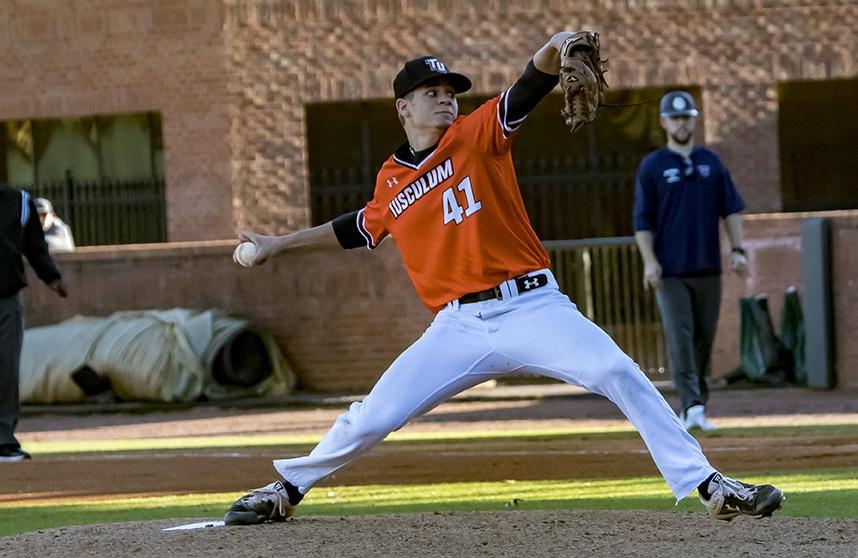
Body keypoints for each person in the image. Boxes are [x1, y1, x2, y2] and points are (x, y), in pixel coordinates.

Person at [225, 34, 782, 525]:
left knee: (616, 369)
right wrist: (278, 245)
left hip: (535, 308)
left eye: (450, 90)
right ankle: (287, 487)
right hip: (458, 326)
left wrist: (558, 44)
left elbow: (530, 84)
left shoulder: (477, 134)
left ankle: (709, 486)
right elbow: (358, 228)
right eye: (431, 91)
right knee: (375, 413)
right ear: (403, 108)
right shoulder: (392, 180)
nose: (446, 97)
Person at [633, 91, 748, 432]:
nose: (682, 123)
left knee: (703, 337)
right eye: (676, 117)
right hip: (670, 271)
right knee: (679, 336)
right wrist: (649, 262)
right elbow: (642, 221)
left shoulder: (711, 162)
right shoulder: (652, 166)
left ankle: (697, 403)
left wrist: (738, 250)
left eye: (687, 117)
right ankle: (692, 405)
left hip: (708, 266)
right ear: (664, 121)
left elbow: (731, 209)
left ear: (694, 120)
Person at [0, 185, 68, 462]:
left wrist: (51, 276)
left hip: (5, 297)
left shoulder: (18, 201)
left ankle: (3, 439)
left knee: (6, 368)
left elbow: (35, 247)